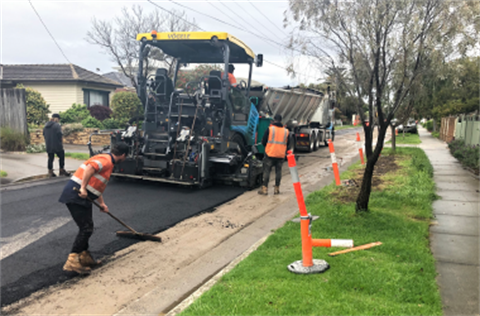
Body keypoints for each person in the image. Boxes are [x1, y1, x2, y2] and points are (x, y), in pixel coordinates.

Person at [58, 143, 129, 274]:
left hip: (83, 197)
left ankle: (84, 257)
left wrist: (102, 203)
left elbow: (96, 185)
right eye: (125, 157)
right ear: (123, 155)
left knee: (87, 226)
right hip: (76, 195)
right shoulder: (106, 160)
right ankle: (72, 261)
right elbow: (90, 168)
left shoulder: (108, 161)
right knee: (86, 228)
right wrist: (83, 188)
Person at [258, 114, 290, 196]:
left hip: (270, 153)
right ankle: (276, 189)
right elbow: (288, 144)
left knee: (267, 171)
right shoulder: (286, 131)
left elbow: (263, 141)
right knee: (278, 171)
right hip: (280, 155)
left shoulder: (270, 129)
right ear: (281, 120)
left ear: (274, 120)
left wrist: (268, 147)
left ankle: (264, 189)